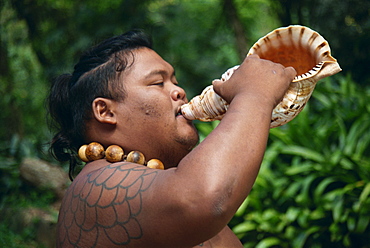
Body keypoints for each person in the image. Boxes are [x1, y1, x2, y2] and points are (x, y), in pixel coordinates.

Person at [48, 30, 296, 247]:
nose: (179, 91)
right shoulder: (95, 186)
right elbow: (202, 199)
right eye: (158, 83)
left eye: (174, 81)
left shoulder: (161, 188)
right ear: (106, 112)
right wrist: (254, 95)